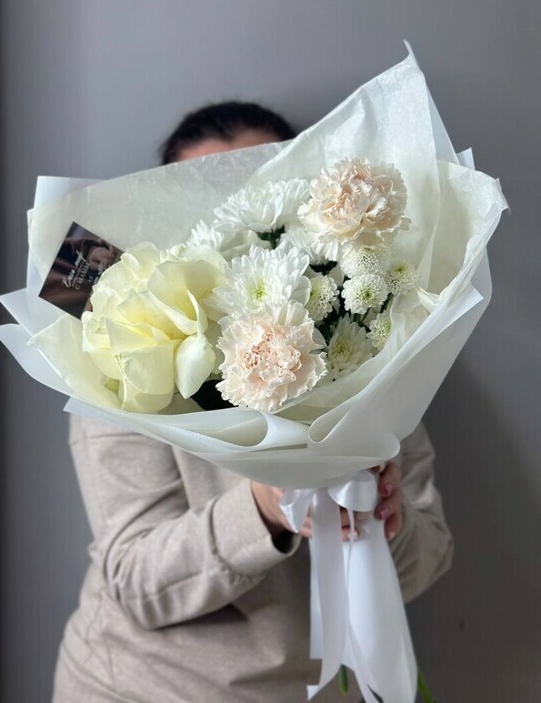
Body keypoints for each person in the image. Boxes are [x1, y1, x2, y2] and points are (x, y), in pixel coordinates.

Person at [53, 101, 454, 703]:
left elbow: (428, 557)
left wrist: (377, 518)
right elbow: (136, 581)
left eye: (257, 186)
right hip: (143, 687)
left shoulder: (371, 336)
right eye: (207, 199)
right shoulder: (118, 349)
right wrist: (266, 507)